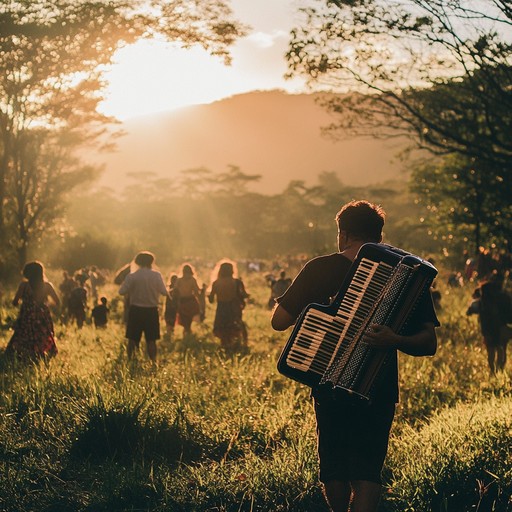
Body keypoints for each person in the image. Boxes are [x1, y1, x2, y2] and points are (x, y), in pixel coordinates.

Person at [271, 200, 439, 512]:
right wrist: (394, 339)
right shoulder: (409, 275)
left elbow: (279, 321)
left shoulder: (319, 268)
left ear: (343, 235)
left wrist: (319, 313)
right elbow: (429, 343)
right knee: (367, 472)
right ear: (379, 236)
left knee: (334, 469)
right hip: (379, 390)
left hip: (327, 384)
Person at [119, 251, 168, 363]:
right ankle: (153, 362)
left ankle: (131, 361)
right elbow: (164, 292)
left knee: (132, 339)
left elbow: (121, 291)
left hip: (136, 310)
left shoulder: (132, 276)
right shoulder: (156, 275)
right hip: (151, 310)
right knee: (151, 340)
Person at [6, 261, 60, 360]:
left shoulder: (24, 285)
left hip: (27, 314)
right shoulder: (47, 286)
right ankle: (41, 353)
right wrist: (46, 306)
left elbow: (15, 302)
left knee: (23, 333)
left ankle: (23, 354)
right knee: (42, 333)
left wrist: (24, 302)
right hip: (42, 314)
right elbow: (57, 302)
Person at [466, 280, 512, 374]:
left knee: (491, 352)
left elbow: (469, 311)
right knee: (501, 349)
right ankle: (499, 370)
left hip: (488, 331)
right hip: (502, 329)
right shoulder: (502, 299)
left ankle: (493, 371)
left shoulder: (481, 303)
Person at [208, 259, 249, 351]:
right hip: (233, 308)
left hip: (221, 308)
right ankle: (238, 345)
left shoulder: (216, 283)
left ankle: (225, 347)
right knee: (235, 326)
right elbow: (244, 295)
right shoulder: (237, 282)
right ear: (232, 270)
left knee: (222, 328)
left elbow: (211, 300)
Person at [175, 263, 201, 335]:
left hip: (183, 300)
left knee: (184, 317)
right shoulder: (192, 280)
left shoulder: (179, 280)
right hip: (190, 300)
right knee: (188, 317)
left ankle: (186, 330)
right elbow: (196, 291)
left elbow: (175, 291)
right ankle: (188, 330)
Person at [164, 274, 179, 339]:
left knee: (172, 319)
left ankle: (170, 332)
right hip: (169, 306)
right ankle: (169, 332)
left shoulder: (177, 289)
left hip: (173, 307)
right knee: (169, 319)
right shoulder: (169, 288)